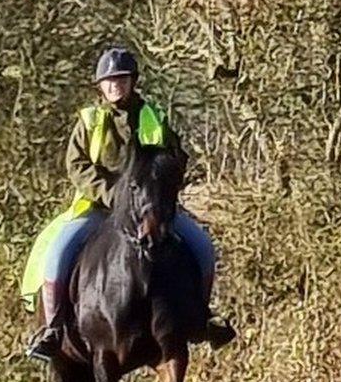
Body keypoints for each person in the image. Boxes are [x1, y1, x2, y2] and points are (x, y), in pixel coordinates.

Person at [21, 47, 233, 361]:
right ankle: (52, 329)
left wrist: (162, 186)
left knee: (202, 244)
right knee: (57, 253)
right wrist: (113, 195)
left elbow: (177, 157)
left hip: (151, 208)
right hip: (99, 207)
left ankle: (202, 319)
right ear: (100, 86)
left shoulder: (154, 116)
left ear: (132, 81)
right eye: (109, 81)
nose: (115, 86)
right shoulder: (90, 120)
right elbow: (77, 165)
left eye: (121, 79)